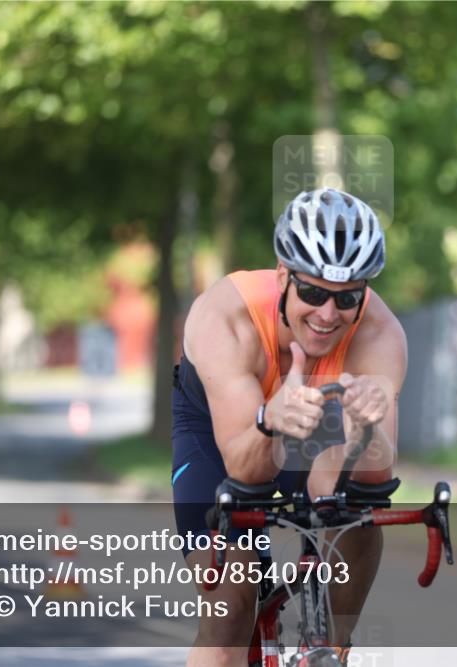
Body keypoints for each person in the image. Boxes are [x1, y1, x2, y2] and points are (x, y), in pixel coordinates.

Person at [171, 188, 407, 667]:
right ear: (283, 277)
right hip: (221, 434)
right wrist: (269, 420)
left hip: (320, 423)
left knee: (352, 515)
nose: (327, 315)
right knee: (229, 609)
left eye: (346, 299)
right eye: (314, 293)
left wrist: (366, 431)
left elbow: (370, 482)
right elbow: (245, 469)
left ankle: (331, 650)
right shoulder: (226, 317)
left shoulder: (379, 334)